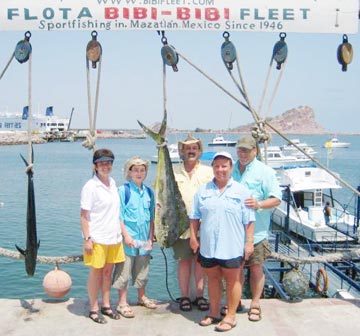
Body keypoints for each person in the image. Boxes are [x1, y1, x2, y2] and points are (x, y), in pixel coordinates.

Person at [189, 151, 255, 332]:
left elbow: (249, 220)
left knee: (233, 281)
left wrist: (249, 242)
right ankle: (214, 312)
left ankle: (231, 316)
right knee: (213, 279)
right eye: (217, 166)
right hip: (209, 247)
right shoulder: (203, 191)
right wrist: (194, 238)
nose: (220, 170)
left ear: (231, 168)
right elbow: (194, 217)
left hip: (232, 246)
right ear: (212, 168)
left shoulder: (242, 191)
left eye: (224, 166)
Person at [230, 135, 282, 322]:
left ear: (255, 151)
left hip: (257, 233)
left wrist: (259, 204)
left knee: (256, 268)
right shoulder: (231, 169)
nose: (242, 153)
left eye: (246, 150)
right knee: (235, 271)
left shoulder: (265, 171)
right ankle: (234, 303)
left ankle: (255, 303)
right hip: (233, 233)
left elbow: (276, 198)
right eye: (240, 150)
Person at [80, 148, 125, 324]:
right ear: (95, 166)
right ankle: (93, 308)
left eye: (108, 163)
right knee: (96, 273)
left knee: (108, 273)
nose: (105, 166)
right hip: (97, 238)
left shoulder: (113, 183)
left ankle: (106, 305)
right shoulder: (90, 186)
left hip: (113, 237)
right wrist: (87, 239)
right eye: (102, 163)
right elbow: (84, 215)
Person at [172, 135, 213, 311]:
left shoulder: (209, 172)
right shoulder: (173, 171)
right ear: (181, 151)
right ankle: (184, 297)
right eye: (187, 148)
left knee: (200, 262)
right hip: (180, 225)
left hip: (204, 225)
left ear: (199, 151)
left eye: (194, 148)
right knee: (184, 261)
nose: (190, 151)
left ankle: (200, 296)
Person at [112, 156, 156, 318]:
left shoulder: (150, 192)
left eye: (142, 170)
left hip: (144, 239)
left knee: (143, 270)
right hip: (127, 241)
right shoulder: (123, 191)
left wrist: (151, 238)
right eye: (135, 170)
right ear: (129, 172)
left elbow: (152, 217)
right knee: (124, 272)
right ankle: (122, 302)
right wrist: (126, 236)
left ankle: (141, 297)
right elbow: (119, 216)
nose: (139, 173)